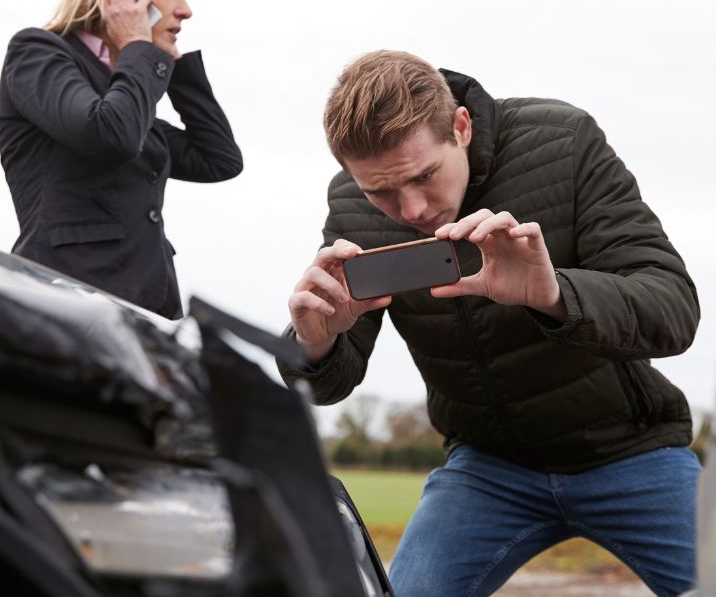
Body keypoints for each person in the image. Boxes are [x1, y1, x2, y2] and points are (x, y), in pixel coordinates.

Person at [280, 51, 701, 596]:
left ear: (461, 124)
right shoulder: (351, 206)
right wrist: (315, 345)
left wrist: (553, 294)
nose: (409, 209)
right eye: (379, 191)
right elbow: (328, 380)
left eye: (424, 175)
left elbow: (674, 308)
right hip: (486, 470)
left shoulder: (564, 141)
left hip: (629, 451)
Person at [0, 0, 242, 319]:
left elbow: (219, 159)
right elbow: (111, 136)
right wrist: (138, 48)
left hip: (151, 310)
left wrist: (173, 68)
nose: (185, 9)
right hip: (66, 306)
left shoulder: (127, 88)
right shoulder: (37, 53)